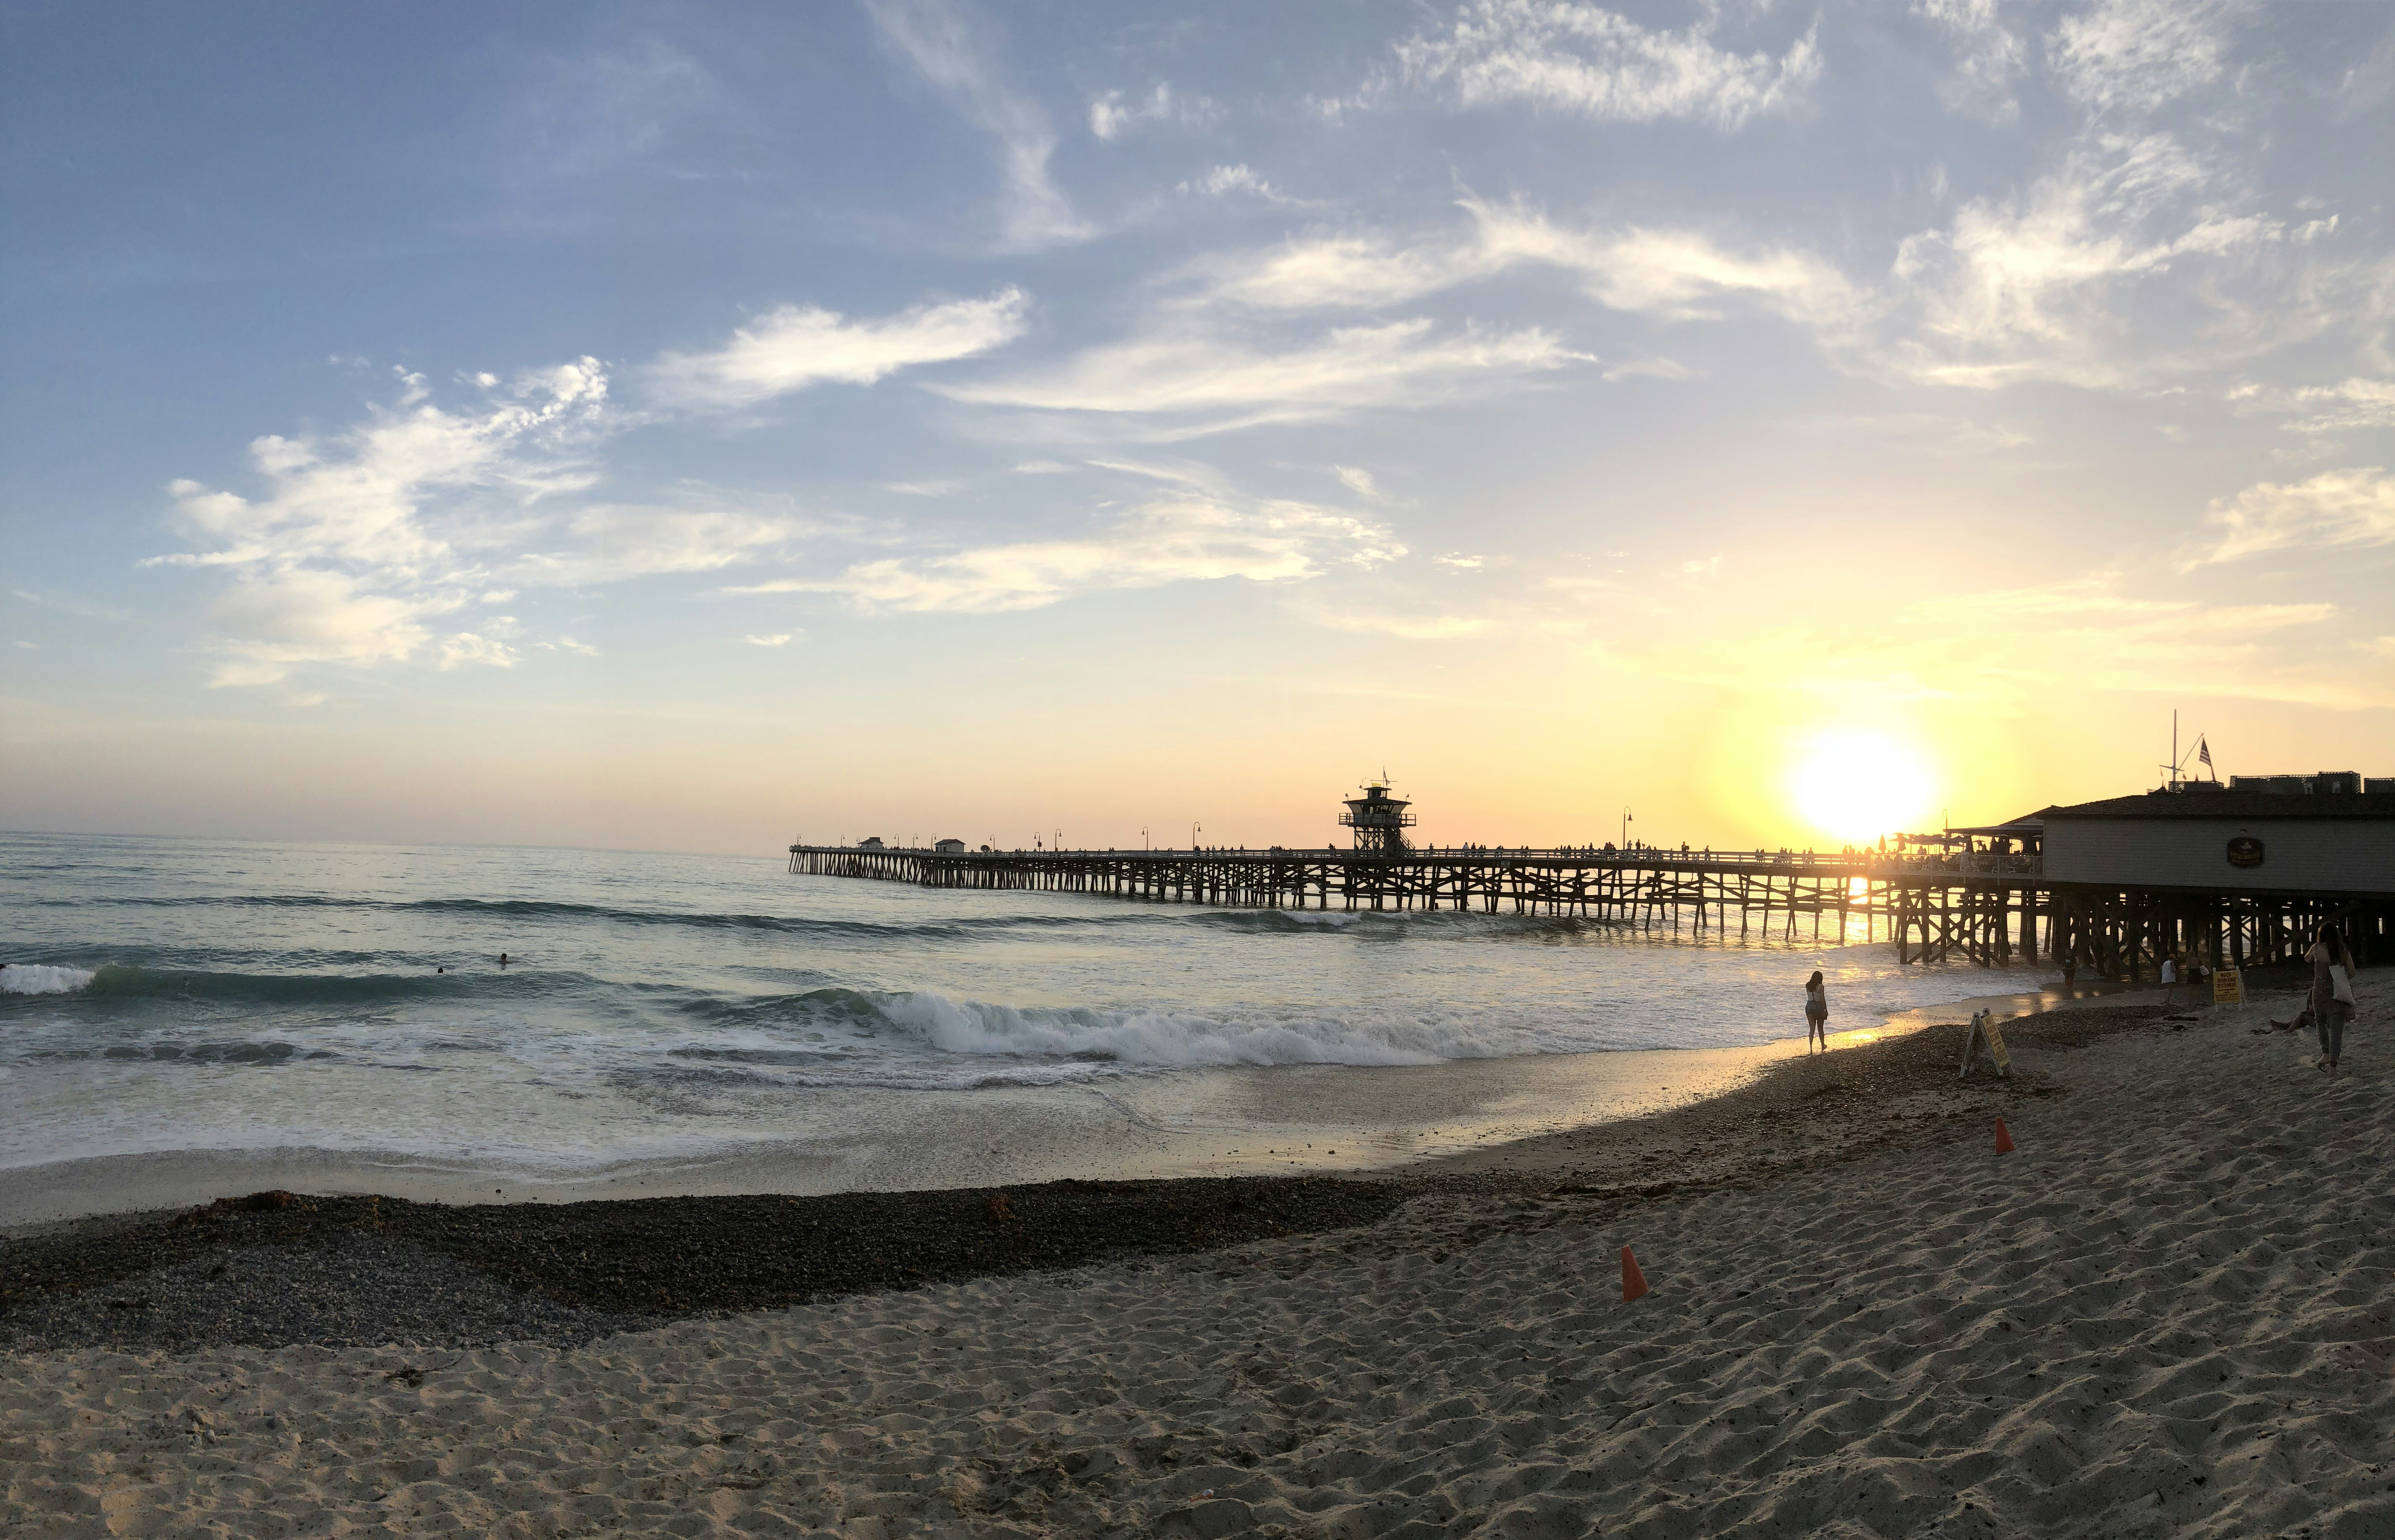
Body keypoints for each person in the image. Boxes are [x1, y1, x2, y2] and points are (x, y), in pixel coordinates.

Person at [2306, 923, 2355, 1074]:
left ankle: (2325, 1054)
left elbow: (2307, 959)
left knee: (2320, 1022)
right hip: (2338, 994)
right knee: (2337, 1031)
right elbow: (2352, 972)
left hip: (2320, 994)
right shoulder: (2342, 950)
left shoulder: (2316, 948)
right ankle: (2333, 1066)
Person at [1803, 970, 1829, 1053]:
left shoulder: (1808, 986)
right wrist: (1826, 1010)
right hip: (1818, 1007)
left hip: (1809, 1007)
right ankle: (1822, 1046)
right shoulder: (1821, 987)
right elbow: (1823, 999)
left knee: (1812, 1029)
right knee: (1820, 1028)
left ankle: (1811, 1049)